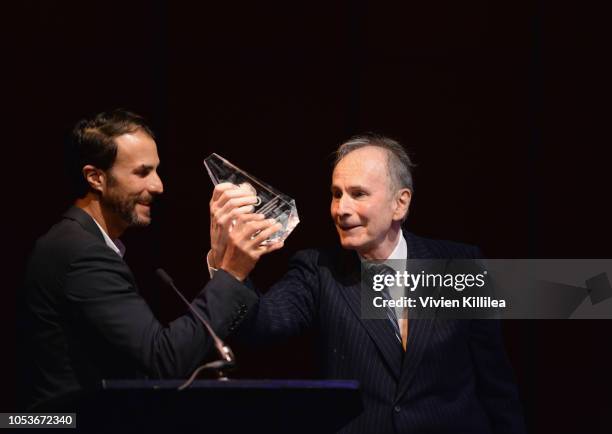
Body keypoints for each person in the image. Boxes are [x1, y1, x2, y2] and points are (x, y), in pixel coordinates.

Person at [208, 134, 526, 433]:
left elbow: (495, 384)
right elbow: (261, 326)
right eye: (336, 194)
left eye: (358, 194)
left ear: (400, 203)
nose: (341, 210)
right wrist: (231, 267)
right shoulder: (319, 270)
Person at [20, 109, 282, 410]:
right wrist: (232, 272)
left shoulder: (82, 243)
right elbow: (163, 360)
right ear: (96, 178)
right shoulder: (80, 252)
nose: (159, 186)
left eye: (156, 171)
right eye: (142, 172)